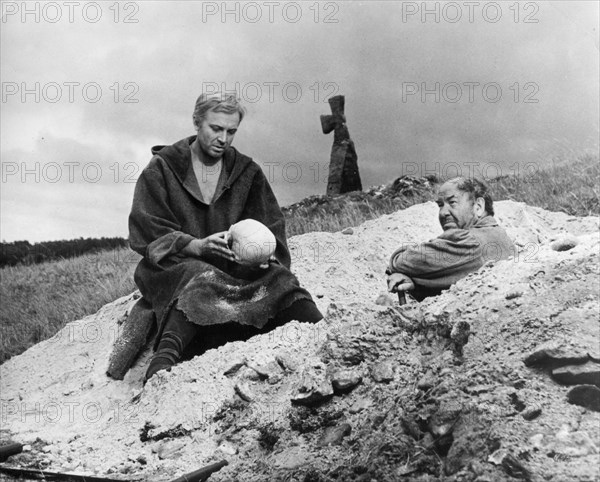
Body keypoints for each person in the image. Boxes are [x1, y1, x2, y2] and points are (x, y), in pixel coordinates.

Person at [128, 92, 323, 382]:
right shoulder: (162, 169)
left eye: (231, 131)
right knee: (200, 275)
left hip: (234, 266)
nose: (223, 138)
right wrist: (196, 245)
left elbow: (271, 222)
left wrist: (263, 254)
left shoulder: (247, 172)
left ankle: (325, 332)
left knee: (280, 279)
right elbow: (147, 228)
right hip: (178, 266)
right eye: (216, 129)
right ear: (197, 122)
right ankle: (163, 362)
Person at [386, 177, 514, 301]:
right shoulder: (501, 236)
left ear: (478, 206)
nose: (443, 213)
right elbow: (459, 284)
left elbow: (403, 261)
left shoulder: (467, 240)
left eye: (452, 202)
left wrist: (403, 269)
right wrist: (415, 284)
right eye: (441, 205)